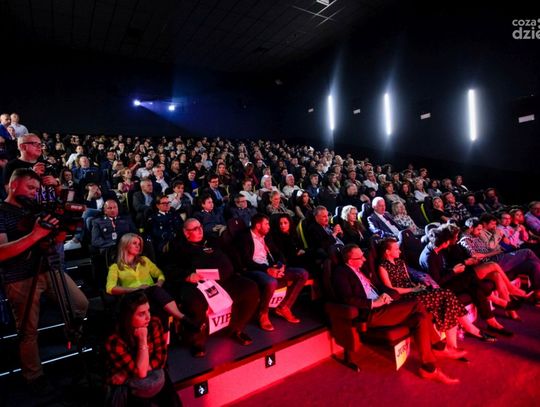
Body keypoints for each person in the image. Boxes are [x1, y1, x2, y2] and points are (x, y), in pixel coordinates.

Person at [0, 169, 89, 394]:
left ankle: (70, 335)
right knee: (28, 330)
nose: (34, 193)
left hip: (48, 267)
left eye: (37, 190)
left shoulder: (37, 209)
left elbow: (54, 240)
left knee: (80, 303)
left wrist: (61, 230)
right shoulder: (1, 211)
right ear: (13, 185)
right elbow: (1, 252)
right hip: (19, 276)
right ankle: (34, 376)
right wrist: (35, 235)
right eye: (30, 188)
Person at [332, 244, 459, 384]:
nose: (364, 259)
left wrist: (387, 294)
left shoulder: (362, 269)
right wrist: (374, 303)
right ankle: (438, 346)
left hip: (384, 305)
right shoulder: (341, 273)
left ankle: (428, 368)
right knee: (417, 304)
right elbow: (347, 299)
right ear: (350, 261)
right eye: (360, 257)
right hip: (370, 313)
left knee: (419, 318)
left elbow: (377, 286)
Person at [166, 218, 259, 347]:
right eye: (195, 229)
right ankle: (197, 340)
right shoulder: (178, 247)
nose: (200, 230)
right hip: (199, 284)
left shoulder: (212, 240)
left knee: (251, 288)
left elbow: (231, 253)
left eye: (200, 227)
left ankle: (237, 329)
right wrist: (187, 276)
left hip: (225, 280)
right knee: (194, 303)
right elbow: (169, 269)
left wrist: (237, 268)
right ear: (186, 233)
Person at [378, 238, 469, 359]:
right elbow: (391, 289)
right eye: (396, 249)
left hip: (415, 291)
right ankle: (462, 334)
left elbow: (408, 280)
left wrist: (417, 286)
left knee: (447, 299)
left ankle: (452, 345)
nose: (399, 251)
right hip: (405, 296)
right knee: (446, 295)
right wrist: (412, 290)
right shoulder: (383, 267)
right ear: (387, 252)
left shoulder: (400, 262)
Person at [105, 291, 181, 406]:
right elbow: (140, 373)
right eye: (141, 314)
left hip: (139, 376)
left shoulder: (154, 323)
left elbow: (160, 359)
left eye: (148, 311)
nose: (148, 317)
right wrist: (142, 340)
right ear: (128, 317)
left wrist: (130, 375)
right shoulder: (115, 340)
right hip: (130, 388)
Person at [237, 213, 308, 331]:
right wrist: (267, 270)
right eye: (266, 224)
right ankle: (263, 314)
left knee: (302, 274)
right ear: (258, 226)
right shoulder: (244, 237)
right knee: (271, 282)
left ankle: (283, 307)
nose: (269, 227)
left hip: (270, 267)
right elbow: (246, 261)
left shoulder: (266, 236)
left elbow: (277, 252)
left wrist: (281, 265)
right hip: (254, 269)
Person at [106, 233, 186, 323]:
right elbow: (110, 288)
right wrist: (136, 289)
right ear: (125, 245)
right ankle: (182, 319)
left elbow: (160, 274)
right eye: (134, 243)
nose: (138, 246)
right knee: (155, 297)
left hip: (152, 292)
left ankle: (174, 323)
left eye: (139, 244)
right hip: (133, 296)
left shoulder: (144, 260)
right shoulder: (115, 267)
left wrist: (159, 283)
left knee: (157, 300)